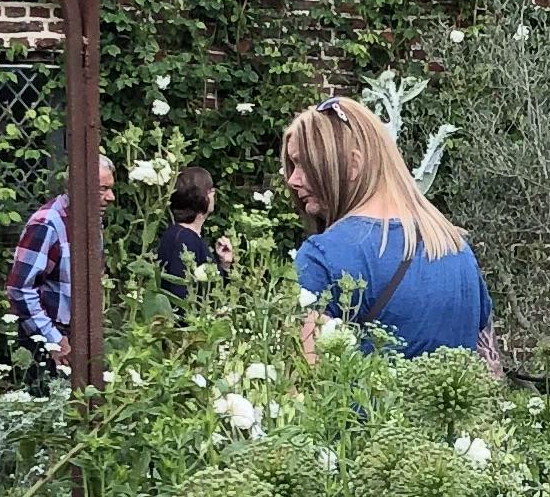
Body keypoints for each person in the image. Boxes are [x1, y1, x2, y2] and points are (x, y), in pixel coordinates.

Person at [280, 96, 495, 363]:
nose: (293, 179)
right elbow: (488, 370)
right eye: (292, 165)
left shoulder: (323, 257)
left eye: (304, 164)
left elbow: (303, 382)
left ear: (353, 165)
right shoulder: (457, 249)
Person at [7, 150, 116, 375]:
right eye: (102, 190)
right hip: (47, 342)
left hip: (79, 335)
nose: (110, 197)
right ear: (79, 189)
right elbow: (20, 288)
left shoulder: (90, 220)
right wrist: (54, 340)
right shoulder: (47, 224)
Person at [155, 162, 233, 313]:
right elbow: (182, 294)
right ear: (201, 198)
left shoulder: (178, 234)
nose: (214, 194)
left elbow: (212, 289)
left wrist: (224, 264)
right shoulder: (185, 240)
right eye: (210, 191)